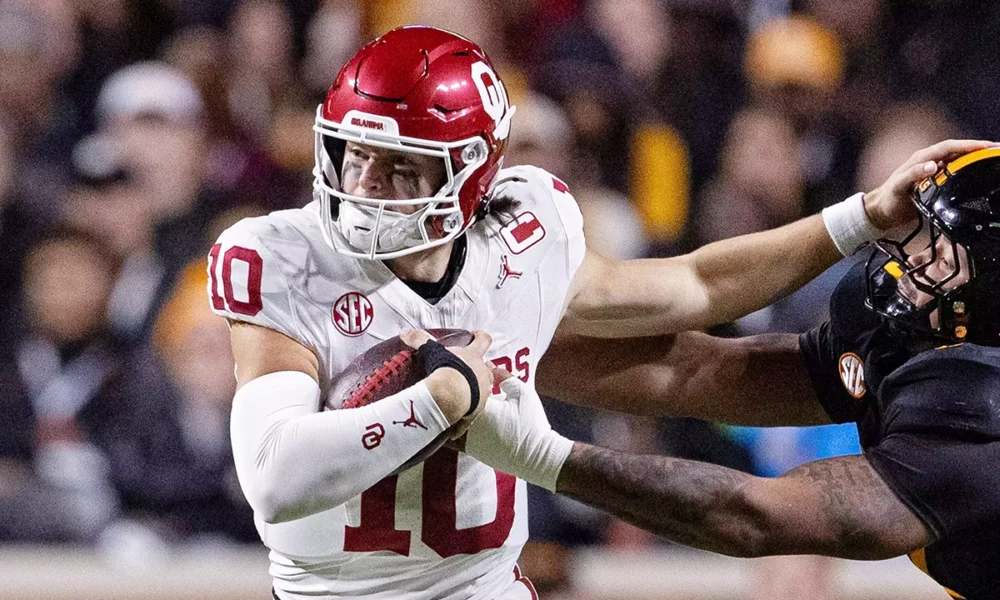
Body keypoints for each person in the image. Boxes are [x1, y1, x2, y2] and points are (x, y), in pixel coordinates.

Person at [208, 25, 988, 600]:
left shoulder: (520, 237)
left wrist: (528, 445)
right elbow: (275, 479)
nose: (366, 183)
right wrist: (855, 218)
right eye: (355, 153)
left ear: (473, 172)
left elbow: (751, 511)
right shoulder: (284, 254)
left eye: (402, 166)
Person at [464, 148, 1000, 600]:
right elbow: (702, 371)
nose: (911, 263)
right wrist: (504, 348)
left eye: (944, 255)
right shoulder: (921, 336)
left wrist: (536, 454)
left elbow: (752, 515)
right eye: (924, 237)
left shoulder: (982, 409)